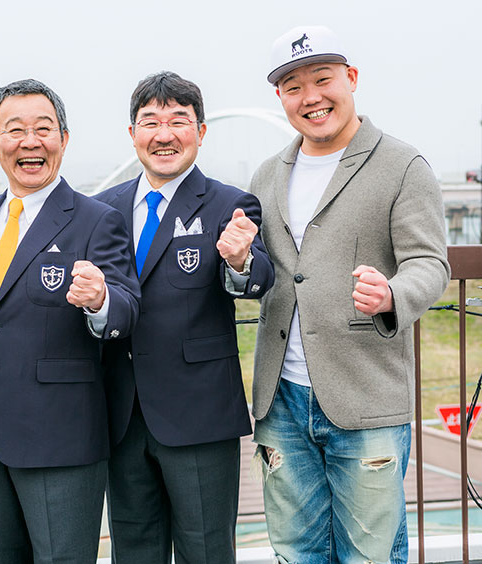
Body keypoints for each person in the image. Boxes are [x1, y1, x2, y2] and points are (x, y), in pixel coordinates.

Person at [251, 26, 450, 564]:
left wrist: (392, 294)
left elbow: (430, 263)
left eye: (323, 79)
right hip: (281, 400)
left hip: (366, 395)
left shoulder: (401, 165)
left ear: (351, 78)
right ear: (280, 97)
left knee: (371, 555)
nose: (311, 97)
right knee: (296, 552)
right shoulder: (267, 175)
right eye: (294, 87)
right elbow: (263, 272)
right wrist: (239, 262)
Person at [0, 78, 140, 564]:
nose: (30, 142)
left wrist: (100, 299)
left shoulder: (96, 219)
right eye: (15, 130)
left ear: (63, 139)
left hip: (61, 440)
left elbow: (127, 309)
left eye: (43, 129)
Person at [95, 71, 274, 564]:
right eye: (151, 122)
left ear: (201, 131)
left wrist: (239, 259)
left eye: (178, 120)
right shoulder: (102, 209)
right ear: (132, 133)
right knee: (133, 550)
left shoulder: (229, 203)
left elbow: (259, 277)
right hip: (120, 413)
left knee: (206, 550)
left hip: (199, 415)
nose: (164, 134)